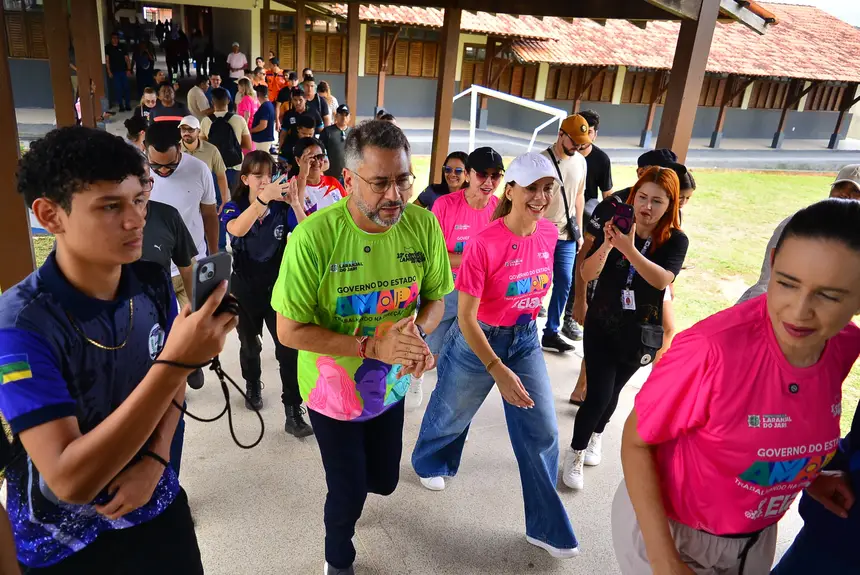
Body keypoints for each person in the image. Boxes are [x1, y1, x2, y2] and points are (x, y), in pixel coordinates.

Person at [0, 126, 237, 573]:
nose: (135, 220)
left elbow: (175, 388)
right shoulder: (20, 326)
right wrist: (178, 360)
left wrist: (155, 458)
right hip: (62, 542)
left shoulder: (149, 282)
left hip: (156, 504)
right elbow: (69, 478)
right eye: (110, 206)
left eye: (139, 200)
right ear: (50, 215)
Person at [615, 198, 860, 574]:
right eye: (787, 283)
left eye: (828, 295)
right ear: (773, 262)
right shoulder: (710, 350)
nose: (798, 311)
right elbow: (636, 442)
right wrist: (665, 561)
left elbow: (782, 420)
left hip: (755, 539)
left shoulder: (844, 345)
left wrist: (803, 476)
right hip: (675, 535)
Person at [272, 120, 452, 575]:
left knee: (385, 482)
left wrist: (416, 339)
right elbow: (289, 331)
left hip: (389, 386)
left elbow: (435, 298)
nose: (395, 195)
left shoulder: (423, 226)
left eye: (404, 180)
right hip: (332, 393)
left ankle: (354, 496)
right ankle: (338, 559)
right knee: (348, 490)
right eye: (380, 183)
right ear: (349, 180)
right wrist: (371, 346)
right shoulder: (314, 238)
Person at [411, 152, 580, 558]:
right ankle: (431, 461)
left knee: (543, 430)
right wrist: (495, 368)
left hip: (523, 339)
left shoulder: (548, 235)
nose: (540, 197)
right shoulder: (485, 242)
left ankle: (547, 528)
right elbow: (465, 317)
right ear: (512, 191)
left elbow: (542, 292)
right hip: (477, 339)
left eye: (547, 189)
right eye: (532, 189)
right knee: (452, 411)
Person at [562, 167, 688, 492]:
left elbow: (662, 280)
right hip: (602, 324)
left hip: (641, 332)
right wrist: (607, 244)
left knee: (615, 393)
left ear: (670, 205)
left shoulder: (675, 240)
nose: (647, 207)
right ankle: (575, 450)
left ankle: (597, 435)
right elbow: (588, 273)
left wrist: (629, 249)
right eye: (642, 197)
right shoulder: (617, 227)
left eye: (656, 201)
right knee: (599, 393)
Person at [566, 148, 687, 405]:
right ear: (642, 173)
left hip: (647, 290)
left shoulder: (669, 209)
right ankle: (582, 387)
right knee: (600, 338)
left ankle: (655, 389)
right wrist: (580, 299)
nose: (667, 179)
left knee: (666, 329)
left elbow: (668, 258)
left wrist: (668, 285)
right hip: (607, 286)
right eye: (661, 172)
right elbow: (585, 254)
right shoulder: (614, 205)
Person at [219, 151, 313, 436]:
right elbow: (236, 229)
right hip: (244, 290)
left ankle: (293, 410)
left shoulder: (281, 208)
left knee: (288, 350)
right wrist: (262, 200)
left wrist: (295, 203)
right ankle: (252, 384)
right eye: (257, 175)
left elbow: (307, 233)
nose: (264, 181)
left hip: (278, 291)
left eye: (268, 175)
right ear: (245, 179)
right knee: (250, 346)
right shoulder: (233, 207)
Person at [417, 147, 504, 408]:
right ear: (468, 175)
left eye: (496, 176)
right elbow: (434, 256)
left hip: (479, 294)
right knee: (430, 352)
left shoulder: (499, 209)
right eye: (482, 175)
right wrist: (475, 258)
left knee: (461, 358)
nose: (489, 182)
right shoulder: (445, 205)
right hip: (446, 289)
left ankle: (449, 409)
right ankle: (417, 377)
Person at [739, 164, 860, 305]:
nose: (843, 194)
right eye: (839, 187)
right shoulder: (799, 223)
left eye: (855, 191)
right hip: (773, 305)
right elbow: (769, 279)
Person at [146, 122, 219, 306]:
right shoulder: (136, 175)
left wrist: (214, 254)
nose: (162, 170)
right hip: (154, 270)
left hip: (193, 264)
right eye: (155, 165)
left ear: (179, 148)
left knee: (198, 324)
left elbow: (209, 214)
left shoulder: (199, 170)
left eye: (170, 165)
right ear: (144, 149)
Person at [540, 114, 588, 352]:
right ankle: (524, 327)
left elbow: (579, 196)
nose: (577, 148)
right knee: (537, 282)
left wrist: (578, 230)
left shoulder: (581, 162)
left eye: (581, 144)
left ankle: (551, 331)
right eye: (574, 142)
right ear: (560, 134)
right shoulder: (542, 161)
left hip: (568, 234)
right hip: (541, 232)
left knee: (565, 282)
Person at [180, 115, 229, 219]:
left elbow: (221, 176)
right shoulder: (174, 150)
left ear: (198, 131)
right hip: (183, 203)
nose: (186, 133)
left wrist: (225, 200)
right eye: (183, 129)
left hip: (207, 201)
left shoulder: (211, 150)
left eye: (191, 129)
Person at [289, 137, 347, 215]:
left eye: (320, 157)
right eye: (310, 158)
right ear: (298, 160)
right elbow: (297, 218)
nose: (316, 163)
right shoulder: (290, 186)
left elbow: (348, 209)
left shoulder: (333, 182)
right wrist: (303, 176)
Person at [578, 110, 614, 201]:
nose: (584, 136)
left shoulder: (602, 159)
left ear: (595, 135)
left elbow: (607, 192)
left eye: (589, 132)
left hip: (587, 208)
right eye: (581, 130)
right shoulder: (564, 154)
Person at [319, 104, 351, 182]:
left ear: (349, 117)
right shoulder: (327, 131)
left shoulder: (353, 133)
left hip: (348, 175)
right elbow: (320, 152)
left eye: (346, 115)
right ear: (336, 116)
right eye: (341, 115)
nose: (344, 117)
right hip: (330, 174)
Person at [105, 32, 132, 112]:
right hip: (115, 72)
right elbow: (107, 60)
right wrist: (109, 71)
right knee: (118, 89)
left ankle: (127, 104)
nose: (115, 40)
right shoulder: (108, 47)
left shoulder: (122, 46)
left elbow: (127, 59)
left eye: (116, 38)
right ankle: (121, 105)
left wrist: (129, 69)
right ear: (111, 39)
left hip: (123, 71)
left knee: (126, 88)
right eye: (113, 38)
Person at [250, 85, 277, 154]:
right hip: (264, 138)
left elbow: (263, 125)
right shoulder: (269, 105)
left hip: (262, 139)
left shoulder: (265, 107)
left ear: (258, 94)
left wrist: (251, 130)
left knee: (262, 160)